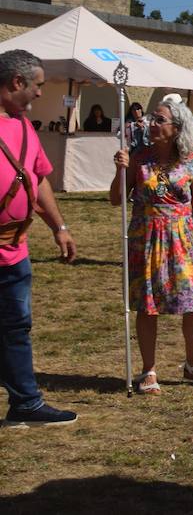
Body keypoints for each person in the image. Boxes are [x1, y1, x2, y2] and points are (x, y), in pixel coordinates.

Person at [110, 98, 193, 395]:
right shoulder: (139, 157)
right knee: (148, 305)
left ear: (176, 128)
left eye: (160, 119)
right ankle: (148, 370)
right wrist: (121, 170)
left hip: (183, 237)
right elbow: (116, 198)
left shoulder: (192, 160)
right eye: (152, 118)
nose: (152, 123)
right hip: (146, 237)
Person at [0, 50, 78, 427]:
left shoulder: (25, 126)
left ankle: (25, 404)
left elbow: (38, 178)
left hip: (15, 251)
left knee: (16, 328)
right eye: (37, 87)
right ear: (17, 83)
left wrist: (59, 227)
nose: (38, 95)